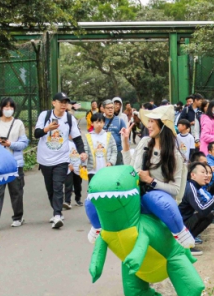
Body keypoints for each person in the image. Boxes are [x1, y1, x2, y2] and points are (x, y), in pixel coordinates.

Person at [84, 105, 194, 248]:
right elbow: (130, 168)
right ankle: (98, 227)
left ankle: (180, 232)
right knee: (93, 198)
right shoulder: (144, 143)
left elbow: (175, 190)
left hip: (153, 200)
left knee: (154, 198)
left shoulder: (175, 156)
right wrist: (125, 143)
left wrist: (150, 181)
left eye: (152, 122)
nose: (148, 125)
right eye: (148, 121)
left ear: (163, 125)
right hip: (134, 196)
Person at [34, 92, 87, 229]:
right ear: (54, 103)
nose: (64, 105)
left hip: (62, 159)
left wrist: (82, 152)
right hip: (45, 159)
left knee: (58, 186)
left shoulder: (70, 118)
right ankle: (56, 210)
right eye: (61, 102)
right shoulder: (44, 116)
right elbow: (36, 134)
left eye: (66, 102)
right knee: (50, 188)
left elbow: (77, 137)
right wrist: (47, 129)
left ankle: (57, 214)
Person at [0, 97, 29, 230]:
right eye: (6, 107)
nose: (8, 110)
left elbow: (24, 143)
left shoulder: (18, 123)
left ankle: (18, 217)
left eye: (11, 107)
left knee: (16, 191)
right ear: (1, 108)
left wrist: (11, 144)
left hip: (14, 163)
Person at [179, 163, 214, 254]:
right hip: (178, 226)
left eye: (207, 173)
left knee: (209, 215)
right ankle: (186, 246)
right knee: (207, 215)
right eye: (203, 172)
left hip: (181, 223)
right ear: (193, 175)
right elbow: (202, 210)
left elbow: (205, 206)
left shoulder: (194, 186)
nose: (206, 175)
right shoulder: (191, 188)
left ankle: (188, 242)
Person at [83, 113, 117, 179]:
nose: (99, 124)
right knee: (93, 188)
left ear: (104, 123)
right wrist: (84, 165)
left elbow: (114, 151)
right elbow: (85, 152)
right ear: (92, 123)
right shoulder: (88, 136)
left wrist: (111, 162)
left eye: (101, 122)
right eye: (97, 122)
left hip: (106, 169)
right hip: (92, 171)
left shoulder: (108, 135)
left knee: (105, 188)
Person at [64, 101, 84, 209]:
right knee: (68, 184)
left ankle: (78, 198)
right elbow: (63, 154)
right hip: (69, 166)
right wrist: (68, 164)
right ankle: (67, 201)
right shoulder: (66, 143)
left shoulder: (79, 143)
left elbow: (83, 153)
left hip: (78, 166)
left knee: (78, 184)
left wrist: (83, 164)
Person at [103, 99, 127, 166]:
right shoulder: (101, 120)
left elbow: (125, 136)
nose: (110, 110)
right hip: (104, 151)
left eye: (112, 108)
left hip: (118, 150)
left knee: (118, 171)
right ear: (104, 109)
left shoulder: (120, 120)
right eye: (108, 108)